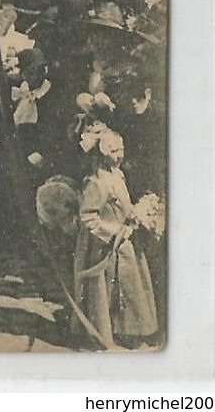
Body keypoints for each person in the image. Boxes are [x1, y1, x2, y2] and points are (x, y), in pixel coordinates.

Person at [72, 126, 158, 348]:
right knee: (107, 289)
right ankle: (109, 330)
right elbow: (88, 217)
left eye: (121, 149)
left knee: (130, 285)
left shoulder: (117, 175)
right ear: (102, 154)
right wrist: (114, 231)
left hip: (125, 242)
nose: (120, 155)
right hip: (107, 245)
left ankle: (131, 329)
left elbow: (123, 205)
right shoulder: (96, 182)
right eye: (114, 151)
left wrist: (137, 216)